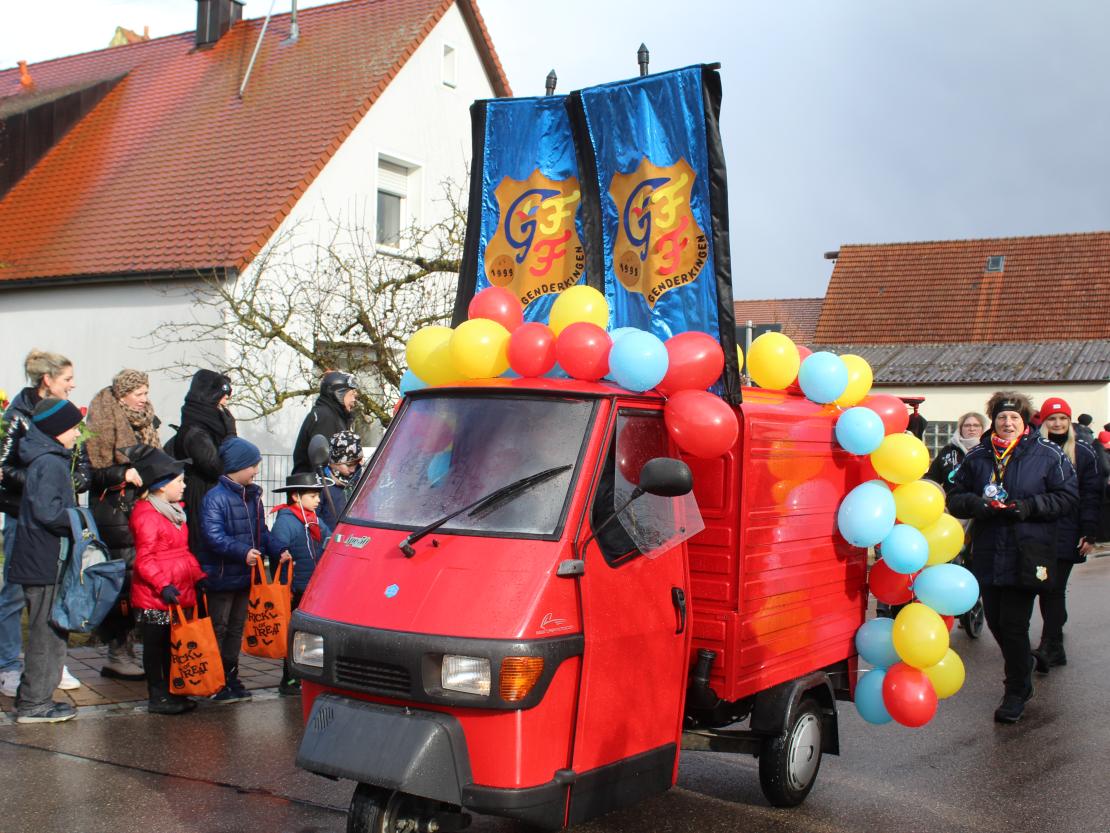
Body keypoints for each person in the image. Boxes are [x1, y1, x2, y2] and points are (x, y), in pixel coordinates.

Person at [948, 392, 1078, 724]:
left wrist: (1028, 507)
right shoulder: (978, 456)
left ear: (1025, 422)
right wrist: (978, 505)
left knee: (1014, 623)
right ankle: (1024, 667)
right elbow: (955, 496)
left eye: (1015, 418)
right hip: (989, 550)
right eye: (1003, 418)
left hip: (1029, 550)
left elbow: (1066, 497)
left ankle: (1016, 690)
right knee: (995, 622)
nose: (1008, 423)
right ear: (995, 420)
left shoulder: (1048, 455)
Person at [0, 350, 85, 698]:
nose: (73, 384)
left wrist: (74, 479)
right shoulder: (16, 416)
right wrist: (39, 481)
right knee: (16, 592)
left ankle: (49, 661)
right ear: (47, 380)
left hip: (55, 511)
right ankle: (8, 664)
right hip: (23, 514)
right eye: (67, 379)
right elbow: (3, 468)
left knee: (56, 590)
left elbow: (80, 459)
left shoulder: (64, 417)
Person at [85, 369, 162, 681]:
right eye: (139, 393)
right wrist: (123, 475)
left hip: (141, 507)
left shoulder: (147, 419)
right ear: (122, 394)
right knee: (122, 584)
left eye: (146, 392)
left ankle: (131, 649)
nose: (145, 399)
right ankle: (118, 652)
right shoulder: (102, 419)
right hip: (114, 512)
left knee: (141, 580)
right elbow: (93, 472)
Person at [199, 437, 290, 703]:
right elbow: (212, 535)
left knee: (236, 628)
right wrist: (242, 551)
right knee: (219, 627)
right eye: (252, 465)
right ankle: (214, 680)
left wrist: (278, 549)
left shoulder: (252, 497)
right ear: (237, 466)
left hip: (244, 575)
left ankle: (230, 676)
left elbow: (262, 532)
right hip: (221, 575)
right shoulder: (215, 498)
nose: (256, 471)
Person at [126, 445, 206, 715]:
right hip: (156, 595)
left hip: (177, 590)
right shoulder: (148, 516)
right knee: (156, 646)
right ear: (161, 486)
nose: (184, 485)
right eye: (179, 481)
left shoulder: (174, 513)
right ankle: (157, 694)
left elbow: (181, 553)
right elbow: (145, 559)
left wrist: (198, 577)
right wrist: (163, 586)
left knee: (173, 645)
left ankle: (172, 691)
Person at [1033, 397, 1101, 672]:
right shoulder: (1035, 450)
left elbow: (1092, 494)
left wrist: (1089, 532)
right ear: (1044, 422)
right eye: (1052, 419)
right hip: (1039, 530)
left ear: (1069, 421)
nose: (1058, 423)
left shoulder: (1083, 453)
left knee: (1054, 589)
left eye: (1062, 418)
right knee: (1042, 587)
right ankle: (1055, 641)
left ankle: (1051, 644)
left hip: (1069, 530)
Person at [270, 472, 332, 695]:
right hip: (296, 586)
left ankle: (302, 675)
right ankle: (288, 679)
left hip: (312, 585)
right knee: (294, 633)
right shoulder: (287, 520)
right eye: (313, 495)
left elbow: (329, 538)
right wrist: (282, 553)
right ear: (296, 496)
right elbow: (277, 545)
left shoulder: (314, 519)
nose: (318, 500)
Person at [172, 369, 235, 563]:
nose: (225, 404)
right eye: (221, 399)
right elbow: (216, 466)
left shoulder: (210, 426)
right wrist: (230, 436)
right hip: (202, 497)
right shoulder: (196, 431)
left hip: (214, 496)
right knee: (206, 553)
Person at [292, 371, 358, 473]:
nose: (354, 399)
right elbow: (325, 462)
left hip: (326, 485)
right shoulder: (325, 417)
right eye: (352, 393)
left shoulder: (336, 416)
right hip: (319, 486)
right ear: (339, 392)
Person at [925, 412, 987, 490]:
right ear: (960, 429)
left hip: (980, 500)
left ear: (982, 429)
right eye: (967, 425)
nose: (971, 429)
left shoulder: (988, 450)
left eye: (976, 425)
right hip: (952, 500)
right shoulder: (948, 450)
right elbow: (932, 478)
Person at [318, 430, 363, 530]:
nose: (353, 469)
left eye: (356, 464)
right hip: (330, 542)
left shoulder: (362, 481)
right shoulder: (321, 485)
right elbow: (314, 521)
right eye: (348, 465)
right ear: (334, 461)